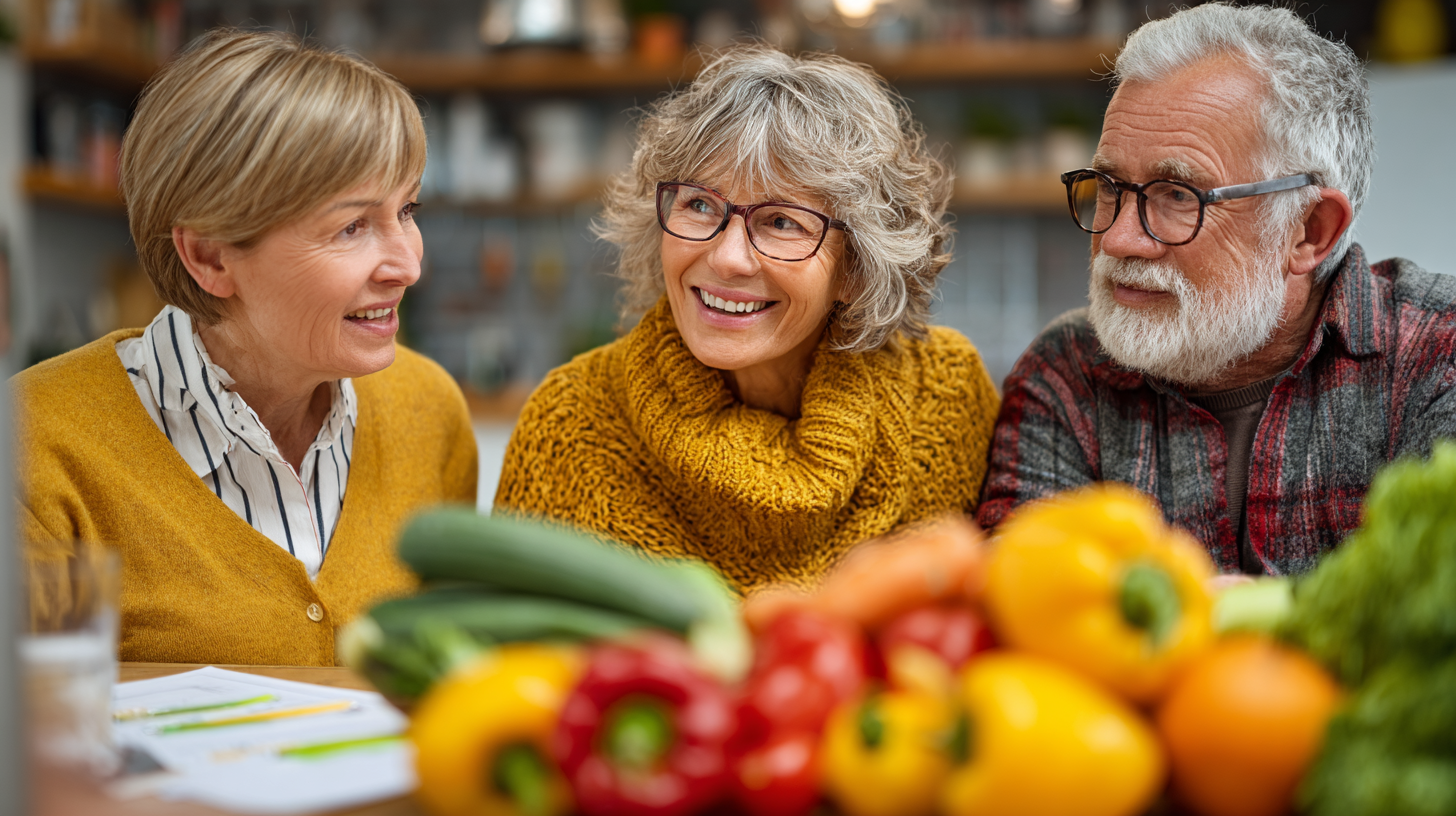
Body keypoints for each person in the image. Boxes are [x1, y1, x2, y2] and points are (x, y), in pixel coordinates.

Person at [14, 30, 478, 665]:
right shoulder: (37, 446)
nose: (407, 265)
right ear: (209, 256)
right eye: (352, 226)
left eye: (408, 210)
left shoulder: (429, 411)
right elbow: (44, 742)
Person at [495, 45, 999, 592]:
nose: (728, 257)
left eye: (781, 221)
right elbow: (512, 668)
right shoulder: (570, 424)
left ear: (856, 268)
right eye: (701, 206)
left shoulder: (946, 396)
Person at [978, 3, 1456, 575]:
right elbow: (1019, 615)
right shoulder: (1067, 374)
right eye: (1107, 187)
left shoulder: (1438, 359)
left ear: (1309, 231)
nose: (1120, 239)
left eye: (1178, 195)